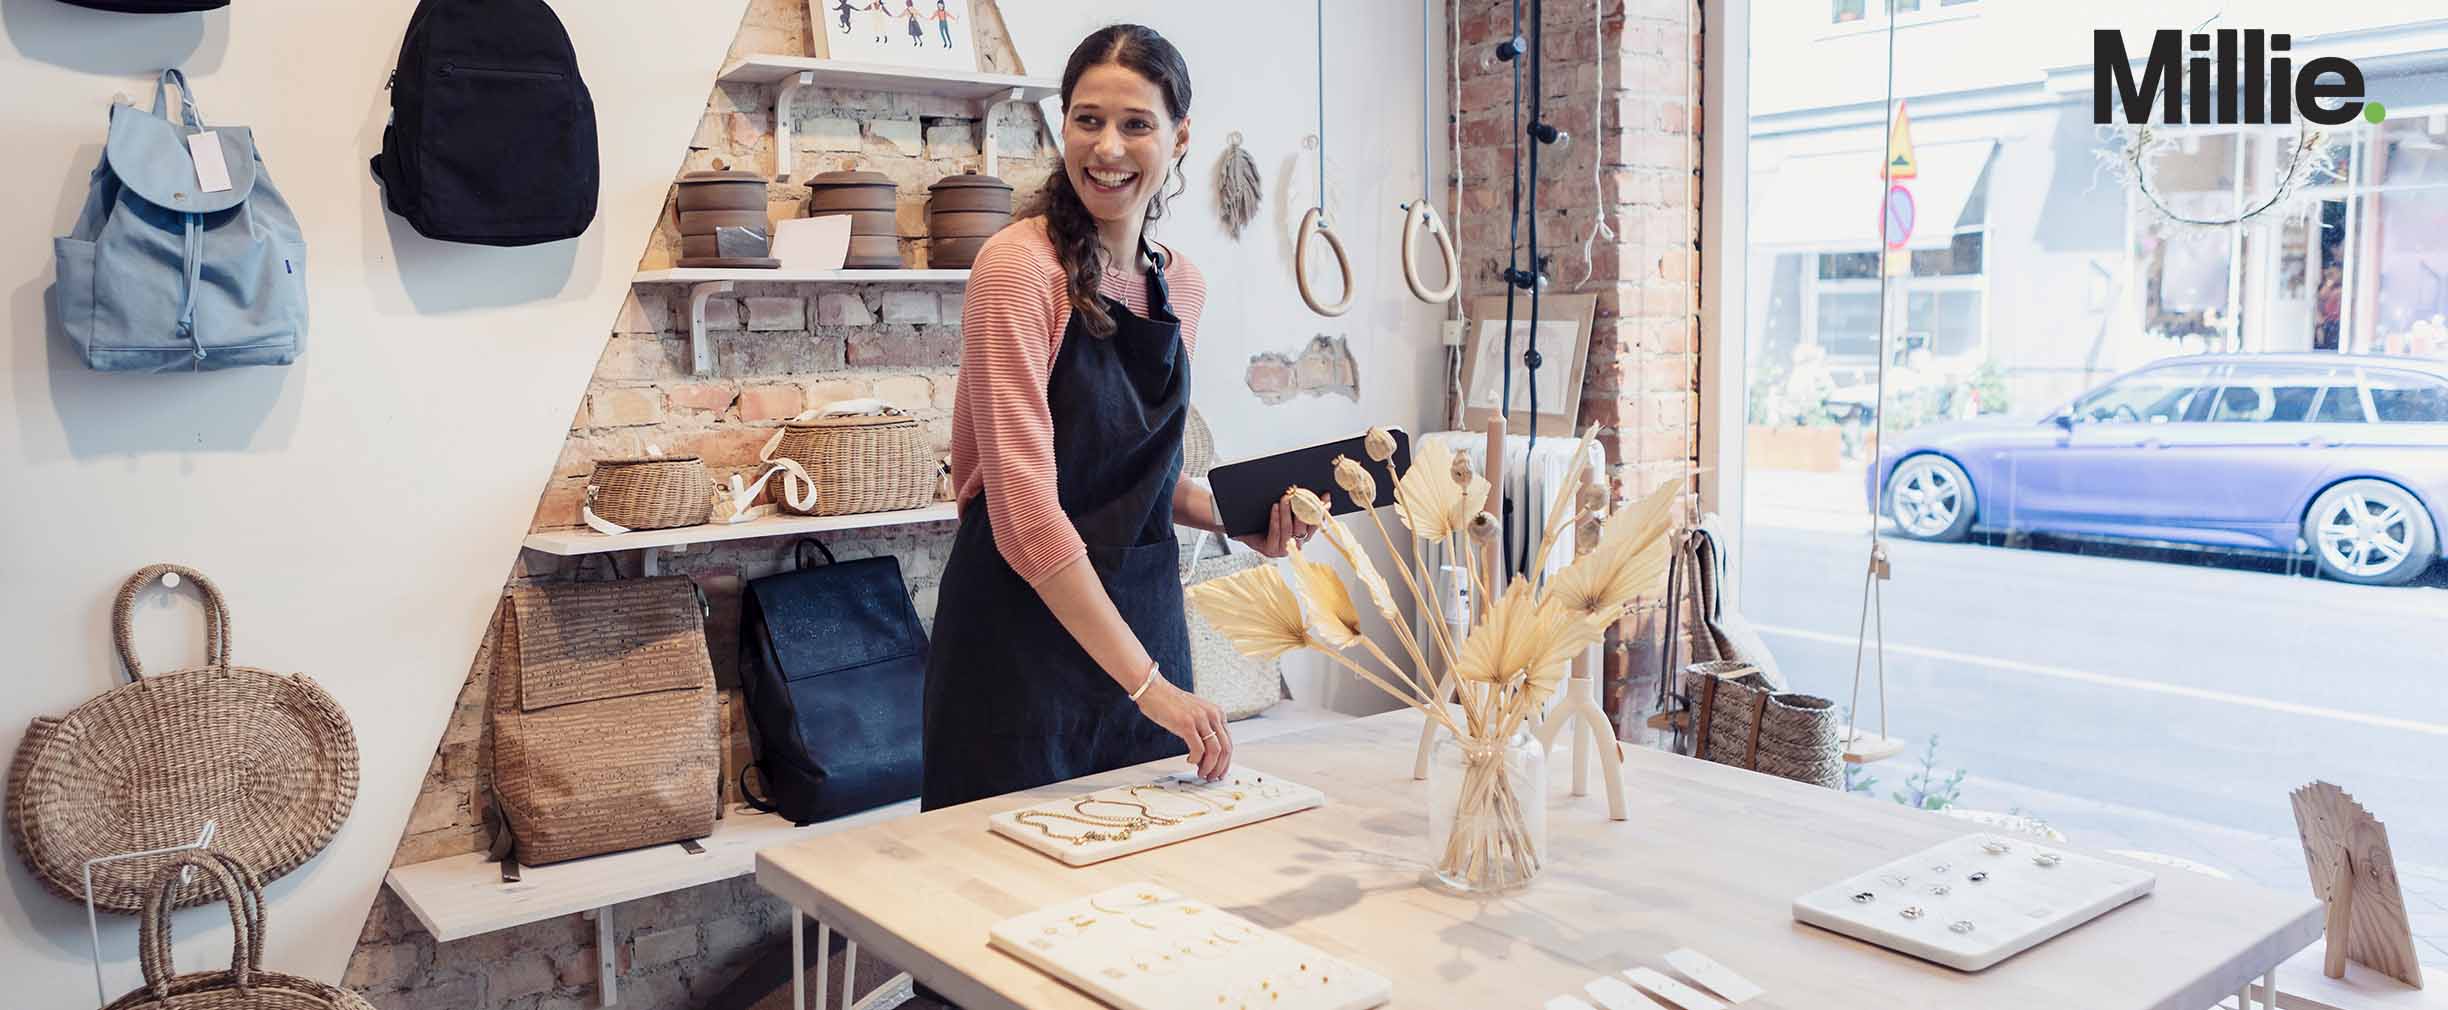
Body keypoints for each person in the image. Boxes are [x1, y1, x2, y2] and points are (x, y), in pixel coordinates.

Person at [922, 24, 1313, 812]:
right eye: (1087, 119)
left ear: (1180, 136)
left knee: (1146, 899)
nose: (1108, 147)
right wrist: (1148, 684)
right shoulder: (1018, 268)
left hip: (1143, 622)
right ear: (1061, 124)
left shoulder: (1183, 287)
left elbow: (1141, 482)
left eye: (1136, 123)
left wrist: (1239, 518)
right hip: (1020, 635)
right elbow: (1029, 512)